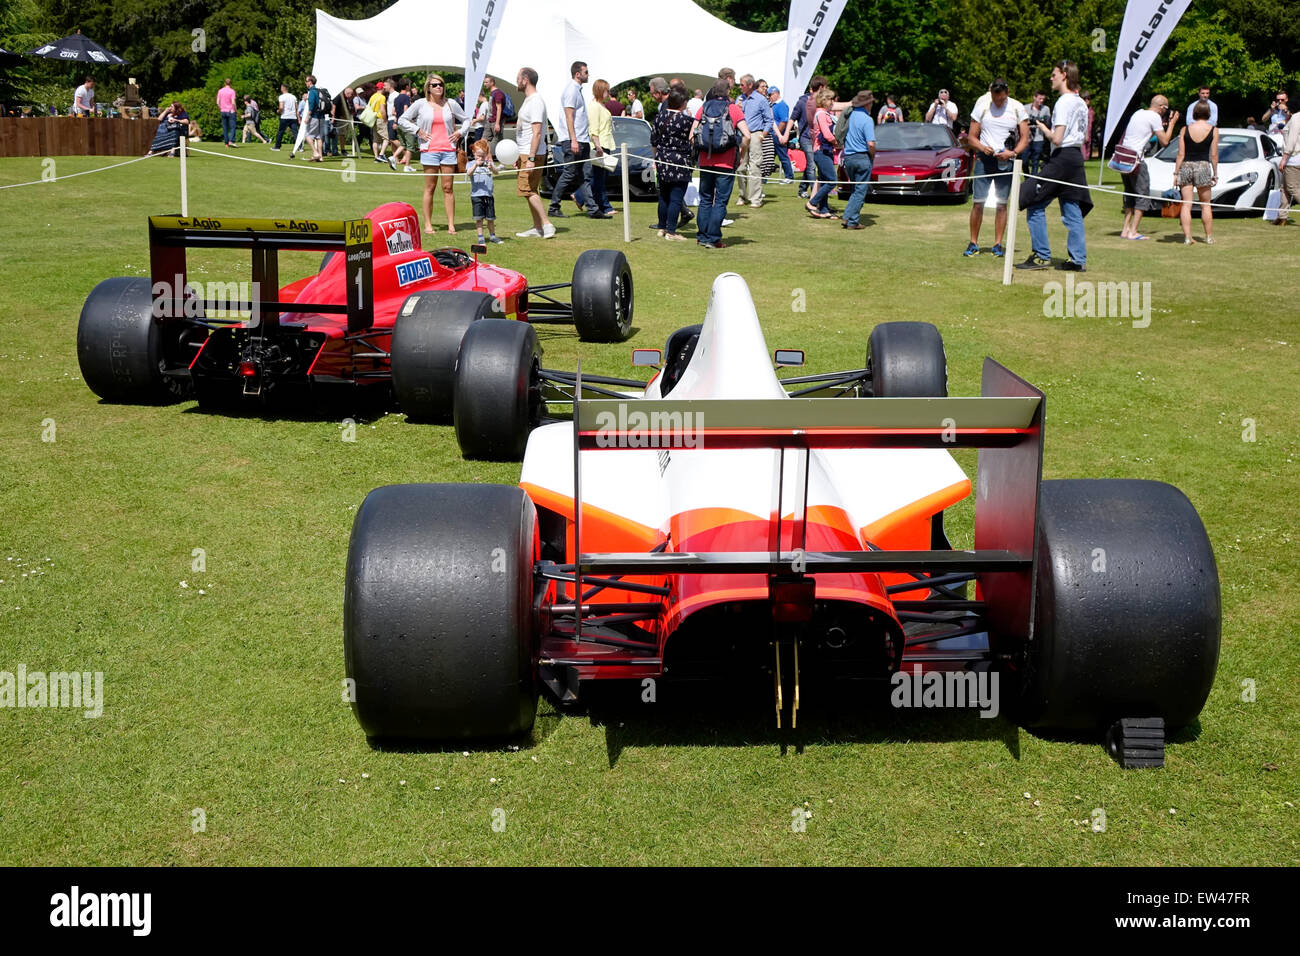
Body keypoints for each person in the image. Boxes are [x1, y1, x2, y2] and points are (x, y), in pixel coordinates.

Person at [1016, 60, 1092, 271]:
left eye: (1054, 74)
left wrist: (1043, 128)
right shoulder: (1081, 103)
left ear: (1064, 75)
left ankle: (1041, 256)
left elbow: (1057, 139)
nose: (1051, 78)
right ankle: (1077, 260)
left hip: (1062, 157)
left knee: (1033, 201)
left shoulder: (1064, 102)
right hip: (1076, 158)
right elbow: (1084, 137)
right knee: (1071, 208)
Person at [398, 74, 471, 234]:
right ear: (428, 88)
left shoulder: (451, 103)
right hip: (429, 150)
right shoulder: (420, 104)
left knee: (448, 188)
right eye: (435, 85)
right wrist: (418, 131)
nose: (439, 87)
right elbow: (402, 120)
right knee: (430, 187)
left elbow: (466, 120)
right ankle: (428, 224)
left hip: (448, 150)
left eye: (441, 84)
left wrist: (460, 132)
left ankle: (451, 225)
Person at [964, 79, 1029, 257]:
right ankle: (973, 243)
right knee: (978, 203)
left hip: (1006, 160)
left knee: (1002, 204)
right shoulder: (982, 105)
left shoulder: (1017, 107)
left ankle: (998, 244)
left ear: (1006, 93)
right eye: (994, 98)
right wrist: (982, 147)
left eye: (1000, 99)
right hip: (985, 160)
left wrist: (1013, 153)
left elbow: (1025, 138)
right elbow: (971, 137)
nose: (997, 102)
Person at [691, 79, 750, 248]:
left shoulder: (704, 108)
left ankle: (702, 236)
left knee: (705, 200)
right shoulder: (733, 109)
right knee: (720, 201)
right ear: (728, 92)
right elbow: (747, 135)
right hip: (725, 161)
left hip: (705, 161)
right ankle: (713, 238)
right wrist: (740, 153)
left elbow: (692, 134)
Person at [1118, 96, 1177, 240]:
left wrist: (1160, 126)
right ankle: (1133, 231)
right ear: (1162, 107)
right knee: (1143, 194)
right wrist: (1172, 124)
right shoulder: (1154, 117)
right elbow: (1165, 142)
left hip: (1124, 159)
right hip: (1137, 161)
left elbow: (1143, 134)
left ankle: (1125, 229)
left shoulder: (1139, 113)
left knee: (1130, 194)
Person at [513, 67, 557, 239]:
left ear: (525, 80)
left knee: (527, 189)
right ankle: (537, 227)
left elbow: (537, 132)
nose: (516, 81)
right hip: (525, 153)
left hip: (533, 154)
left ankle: (547, 224)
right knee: (530, 190)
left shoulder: (536, 101)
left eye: (518, 78)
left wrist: (530, 158)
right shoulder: (529, 101)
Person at [551, 61, 595, 218]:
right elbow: (569, 116)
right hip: (574, 140)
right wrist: (573, 140)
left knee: (584, 175)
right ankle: (553, 206)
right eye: (586, 72)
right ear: (578, 74)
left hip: (582, 140)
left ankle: (593, 209)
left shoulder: (577, 90)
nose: (588, 74)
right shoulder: (571, 90)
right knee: (569, 173)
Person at [651, 89, 694, 240]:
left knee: (663, 196)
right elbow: (692, 140)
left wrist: (655, 159)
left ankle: (661, 227)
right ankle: (671, 231)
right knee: (676, 198)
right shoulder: (687, 121)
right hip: (680, 162)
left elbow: (654, 142)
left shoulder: (658, 118)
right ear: (683, 103)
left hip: (662, 159)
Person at [1174, 101, 1219, 244]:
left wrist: (1176, 173)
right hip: (1203, 166)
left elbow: (1180, 154)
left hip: (1186, 165)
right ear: (1208, 113)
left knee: (1186, 204)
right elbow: (1214, 155)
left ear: (1194, 113)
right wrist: (1215, 173)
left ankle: (1187, 237)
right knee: (1205, 204)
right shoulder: (1213, 130)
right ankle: (1209, 237)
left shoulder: (1184, 129)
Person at [733, 74, 772, 208]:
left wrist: (762, 135)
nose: (740, 87)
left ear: (750, 85)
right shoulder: (739, 99)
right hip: (742, 135)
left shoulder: (761, 100)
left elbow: (769, 120)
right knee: (740, 166)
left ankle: (755, 199)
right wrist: (736, 108)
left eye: (742, 84)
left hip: (756, 134)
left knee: (755, 166)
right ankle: (742, 196)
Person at [840, 91, 876, 230]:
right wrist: (873, 155)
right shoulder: (867, 119)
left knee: (855, 190)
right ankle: (849, 217)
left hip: (848, 157)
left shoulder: (850, 116)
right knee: (860, 191)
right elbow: (871, 144)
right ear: (867, 103)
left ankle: (852, 220)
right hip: (862, 157)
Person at [806, 87, 839, 219]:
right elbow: (827, 134)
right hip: (822, 151)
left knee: (825, 180)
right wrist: (837, 142)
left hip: (825, 151)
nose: (833, 102)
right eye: (831, 99)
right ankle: (812, 202)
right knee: (832, 181)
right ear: (824, 100)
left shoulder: (825, 114)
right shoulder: (821, 115)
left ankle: (824, 209)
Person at [587, 79, 618, 218]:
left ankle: (580, 196)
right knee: (598, 178)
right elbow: (594, 128)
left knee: (600, 177)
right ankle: (604, 206)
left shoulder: (601, 105)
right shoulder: (594, 106)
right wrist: (597, 145)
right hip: (600, 145)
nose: (608, 92)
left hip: (606, 143)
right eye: (606, 89)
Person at [794, 76, 827, 198]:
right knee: (812, 165)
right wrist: (786, 134)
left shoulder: (821, 102)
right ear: (820, 88)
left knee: (810, 164)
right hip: (805, 137)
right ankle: (816, 192)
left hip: (816, 138)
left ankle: (802, 189)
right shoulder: (803, 101)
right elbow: (792, 118)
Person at [465, 139, 503, 244]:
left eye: (483, 156)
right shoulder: (471, 164)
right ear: (474, 153)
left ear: (486, 154)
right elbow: (469, 173)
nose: (480, 158)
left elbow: (496, 173)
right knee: (479, 218)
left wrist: (492, 168)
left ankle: (492, 236)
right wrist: (476, 164)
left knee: (490, 218)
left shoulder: (489, 163)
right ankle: (480, 237)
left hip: (488, 195)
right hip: (476, 195)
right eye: (478, 155)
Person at [1277, 109, 1300, 225]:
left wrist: (1284, 159)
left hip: (1293, 158)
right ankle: (1282, 217)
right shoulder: (1293, 118)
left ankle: (1282, 217)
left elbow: (1292, 140)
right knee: (1284, 188)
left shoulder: (1296, 117)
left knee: (1292, 188)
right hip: (1294, 158)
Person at [768, 86, 795, 183]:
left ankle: (789, 176)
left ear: (776, 94)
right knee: (769, 157)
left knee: (782, 156)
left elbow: (784, 121)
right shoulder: (773, 105)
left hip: (779, 135)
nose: (769, 97)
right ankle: (764, 178)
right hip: (774, 134)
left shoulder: (782, 105)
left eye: (770, 95)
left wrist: (777, 133)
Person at [389, 78, 414, 171]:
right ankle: (407, 166)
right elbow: (405, 109)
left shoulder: (397, 98)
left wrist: (395, 122)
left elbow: (393, 112)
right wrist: (410, 121)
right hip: (405, 124)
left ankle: (393, 157)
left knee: (403, 144)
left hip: (398, 123)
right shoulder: (406, 97)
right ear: (407, 86)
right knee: (410, 146)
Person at [1025, 91, 1051, 175]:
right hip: (1027, 138)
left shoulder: (1046, 109)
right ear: (1034, 97)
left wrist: (1039, 122)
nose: (1041, 100)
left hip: (1039, 137)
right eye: (1040, 98)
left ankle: (1033, 180)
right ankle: (1027, 177)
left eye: (1043, 99)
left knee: (1035, 161)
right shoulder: (1026, 108)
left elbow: (1048, 123)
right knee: (1024, 161)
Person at [303, 74, 325, 162]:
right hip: (322, 117)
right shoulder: (319, 91)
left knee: (307, 135)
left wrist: (307, 117)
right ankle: (321, 157)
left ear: (310, 82)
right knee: (319, 137)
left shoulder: (312, 92)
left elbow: (311, 105)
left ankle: (315, 153)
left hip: (314, 116)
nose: (305, 83)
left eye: (306, 81)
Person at [368, 81, 389, 164]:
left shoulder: (372, 97)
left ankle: (376, 157)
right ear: (382, 88)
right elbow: (383, 110)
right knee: (386, 138)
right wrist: (385, 119)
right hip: (380, 118)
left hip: (373, 119)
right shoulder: (382, 97)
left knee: (375, 139)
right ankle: (381, 155)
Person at [483, 75, 507, 149]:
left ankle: (504, 158)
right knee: (483, 141)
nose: (485, 84)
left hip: (496, 121)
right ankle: (484, 159)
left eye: (486, 82)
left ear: (492, 82)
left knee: (498, 142)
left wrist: (497, 124)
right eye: (484, 82)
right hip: (489, 120)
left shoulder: (498, 93)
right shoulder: (492, 93)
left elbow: (499, 108)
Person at [272, 83, 297, 151]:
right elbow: (296, 107)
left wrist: (278, 111)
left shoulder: (282, 97)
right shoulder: (293, 97)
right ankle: (299, 147)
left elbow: (281, 107)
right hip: (293, 117)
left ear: (283, 88)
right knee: (295, 132)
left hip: (285, 116)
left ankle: (277, 146)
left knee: (280, 132)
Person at [217, 78, 238, 147]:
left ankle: (226, 143)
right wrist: (236, 110)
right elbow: (233, 102)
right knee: (232, 127)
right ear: (231, 83)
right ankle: (231, 140)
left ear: (224, 83)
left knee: (225, 127)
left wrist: (221, 108)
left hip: (223, 111)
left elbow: (217, 102)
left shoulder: (220, 91)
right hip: (230, 110)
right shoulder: (232, 91)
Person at [1081, 91, 1094, 160]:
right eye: (1085, 99)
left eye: (1089, 99)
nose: (1087, 101)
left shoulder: (1090, 110)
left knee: (1086, 153)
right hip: (1083, 133)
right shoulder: (1081, 110)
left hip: (1089, 132)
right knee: (1083, 152)